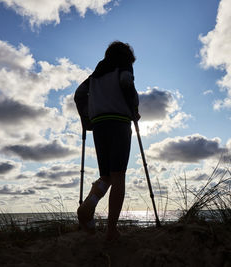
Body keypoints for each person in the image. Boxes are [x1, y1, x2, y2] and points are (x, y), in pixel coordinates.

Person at [74, 41, 140, 241]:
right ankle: (112, 230)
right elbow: (127, 83)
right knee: (118, 175)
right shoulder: (123, 66)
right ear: (126, 57)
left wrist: (87, 120)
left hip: (99, 125)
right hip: (119, 123)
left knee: (107, 176)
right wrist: (134, 111)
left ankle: (88, 206)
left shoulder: (94, 76)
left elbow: (78, 95)